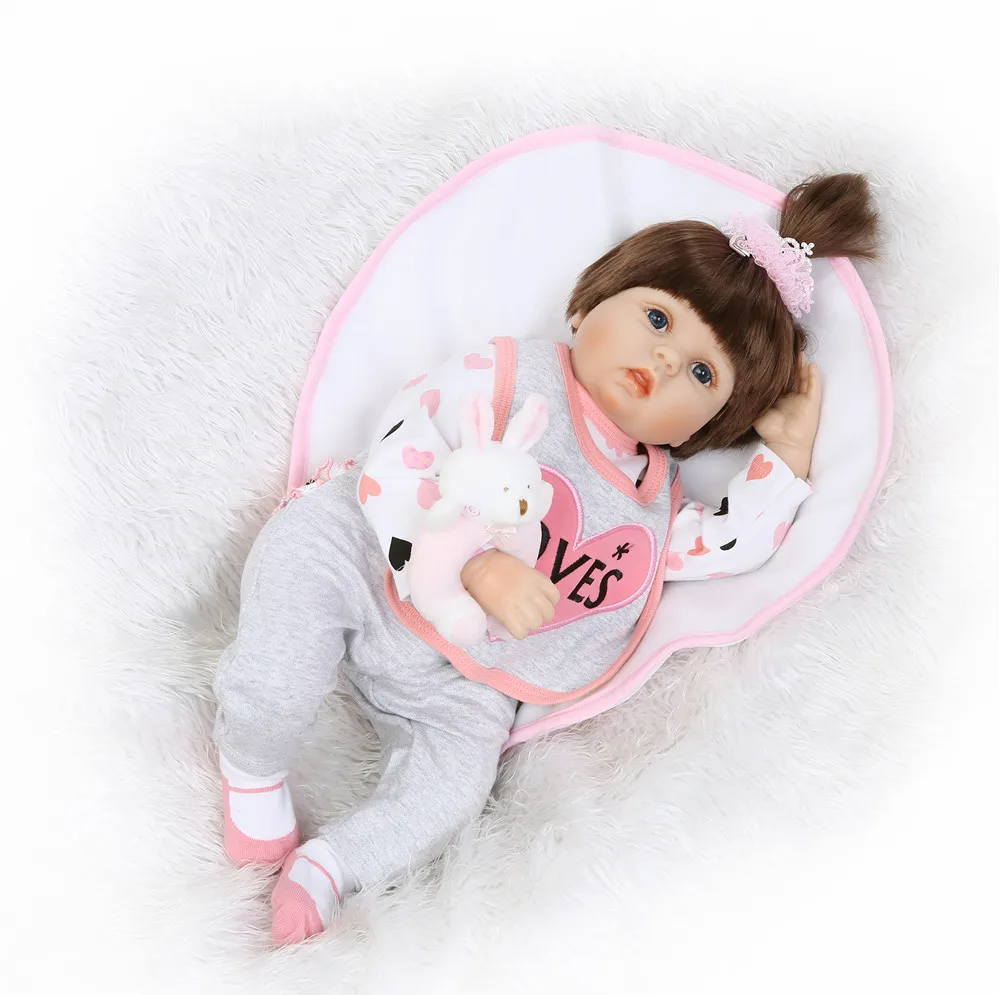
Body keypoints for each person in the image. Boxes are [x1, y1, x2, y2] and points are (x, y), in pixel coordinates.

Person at [212, 173, 879, 944]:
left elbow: (727, 546)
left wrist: (786, 458)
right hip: (362, 556)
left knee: (455, 786)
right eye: (658, 318)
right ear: (591, 302)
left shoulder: (649, 506)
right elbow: (403, 449)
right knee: (286, 629)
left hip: (461, 679)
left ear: (706, 429)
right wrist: (472, 566)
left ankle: (331, 866)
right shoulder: (508, 376)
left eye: (703, 373)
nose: (666, 359)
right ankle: (254, 772)